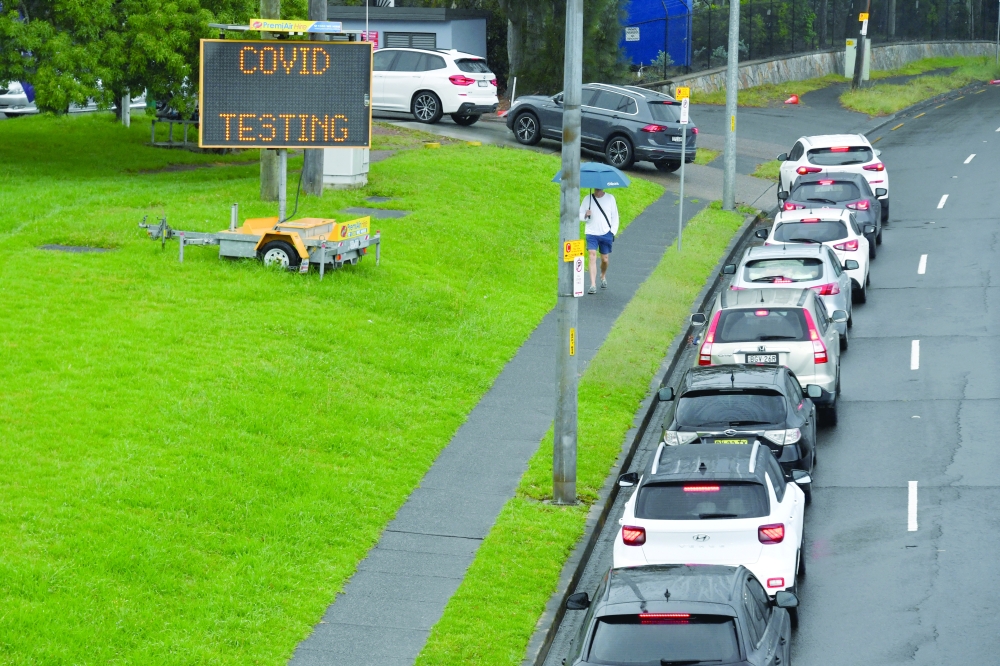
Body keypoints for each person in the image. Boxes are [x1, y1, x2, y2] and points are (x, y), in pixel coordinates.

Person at [580, 188, 620, 294]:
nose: (598, 189)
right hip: (591, 232)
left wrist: (612, 232)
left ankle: (602, 275)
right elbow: (580, 215)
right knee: (592, 255)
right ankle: (593, 285)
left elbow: (615, 216)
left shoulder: (610, 198)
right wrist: (585, 215)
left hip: (606, 233)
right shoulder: (587, 199)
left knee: (605, 259)